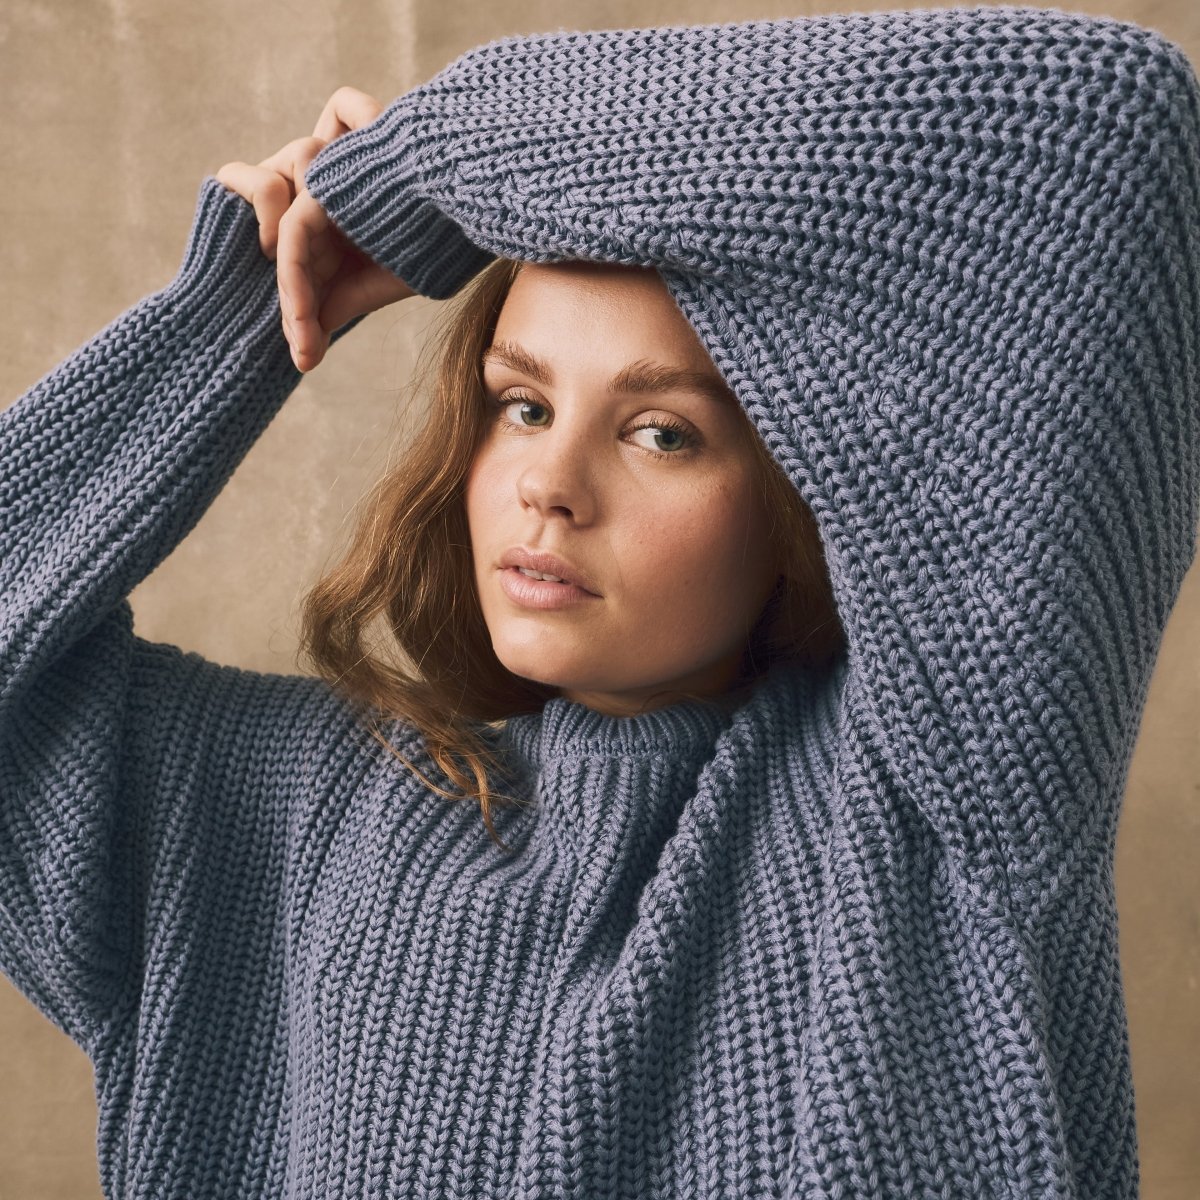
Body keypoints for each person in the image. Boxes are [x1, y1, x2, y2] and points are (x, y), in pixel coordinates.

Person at [1, 7, 1197, 1198]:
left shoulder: (929, 796)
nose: (549, 487)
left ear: (795, 495)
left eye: (660, 434)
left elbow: (1103, 127)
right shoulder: (286, 814)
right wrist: (243, 316)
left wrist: (435, 159)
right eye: (521, 405)